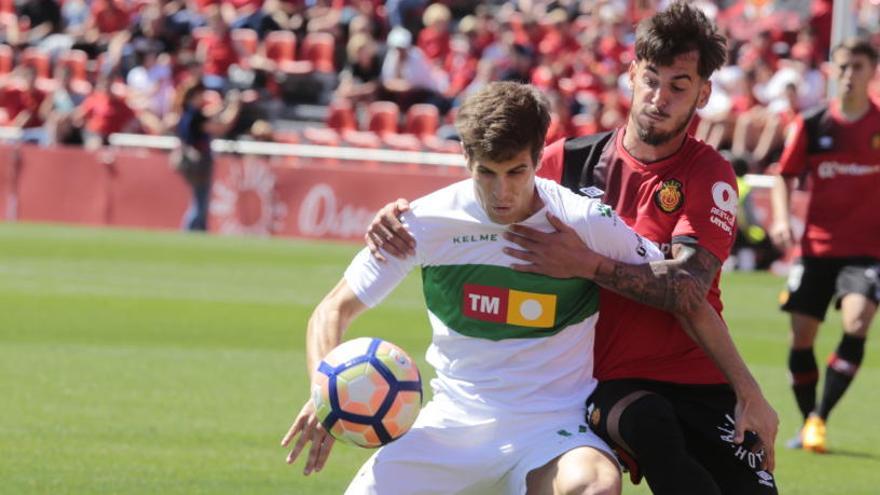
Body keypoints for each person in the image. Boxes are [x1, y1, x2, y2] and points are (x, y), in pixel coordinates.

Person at [365, 3, 778, 494]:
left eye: (678, 85)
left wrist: (748, 390)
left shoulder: (708, 175)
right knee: (652, 428)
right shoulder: (568, 163)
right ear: (631, 75)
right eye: (650, 79)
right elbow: (487, 195)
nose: (658, 98)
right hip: (608, 385)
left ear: (703, 93)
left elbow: (689, 289)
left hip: (698, 374)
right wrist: (402, 218)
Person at [282, 81, 666, 495]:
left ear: (538, 158)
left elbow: (672, 281)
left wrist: (592, 265)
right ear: (466, 158)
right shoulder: (422, 223)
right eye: (487, 172)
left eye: (516, 172)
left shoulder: (583, 221)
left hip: (552, 428)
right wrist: (323, 393)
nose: (501, 193)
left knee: (595, 486)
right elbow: (333, 309)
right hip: (450, 428)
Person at [769, 37, 880, 454]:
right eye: (843, 67)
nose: (849, 75)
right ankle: (807, 418)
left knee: (856, 324)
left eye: (858, 67)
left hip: (867, 251)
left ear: (872, 73)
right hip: (816, 250)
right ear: (833, 72)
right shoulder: (813, 124)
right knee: (801, 338)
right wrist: (781, 218)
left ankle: (819, 419)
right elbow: (784, 175)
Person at [168, 80, 241, 231]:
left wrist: (226, 104)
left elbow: (211, 113)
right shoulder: (194, 115)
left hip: (189, 159)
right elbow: (221, 126)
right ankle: (191, 231)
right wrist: (235, 105)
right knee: (200, 202)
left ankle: (199, 231)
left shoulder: (186, 112)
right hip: (198, 161)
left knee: (199, 199)